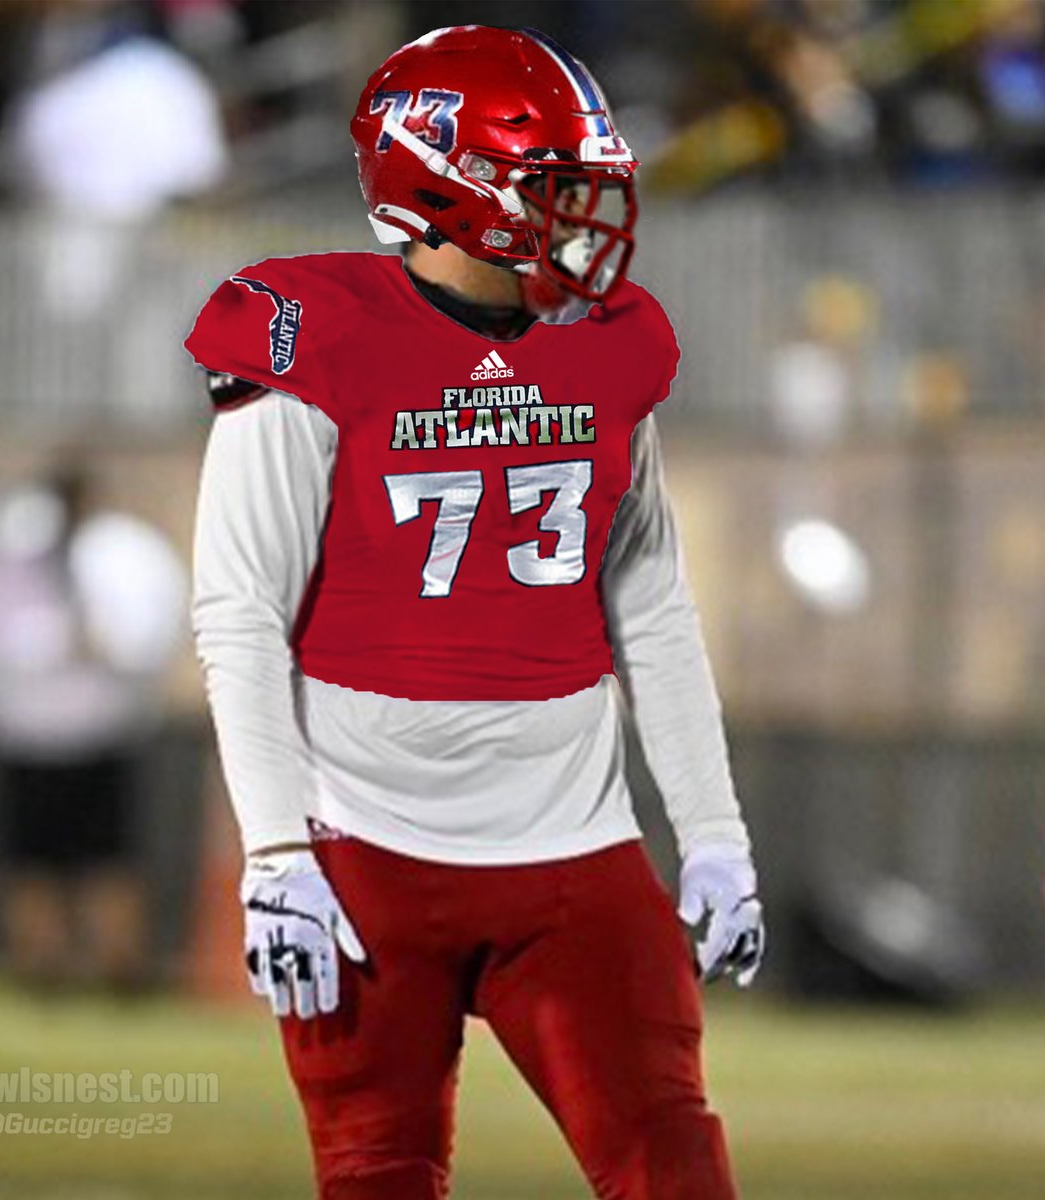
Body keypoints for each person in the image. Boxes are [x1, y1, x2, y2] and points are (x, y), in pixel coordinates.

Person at [187, 25, 763, 1200]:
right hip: (362, 851)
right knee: (379, 1176)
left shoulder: (607, 347)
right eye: (552, 188)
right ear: (445, 182)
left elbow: (650, 600)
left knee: (674, 1165)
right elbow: (239, 612)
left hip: (573, 848)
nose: (584, 217)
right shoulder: (309, 329)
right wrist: (277, 855)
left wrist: (713, 832)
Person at [0, 461, 187, 991]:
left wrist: (109, 650)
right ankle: (42, 971)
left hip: (100, 731)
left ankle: (121, 971)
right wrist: (48, 649)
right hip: (27, 733)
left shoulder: (126, 553)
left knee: (109, 858)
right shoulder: (13, 550)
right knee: (31, 862)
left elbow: (155, 628)